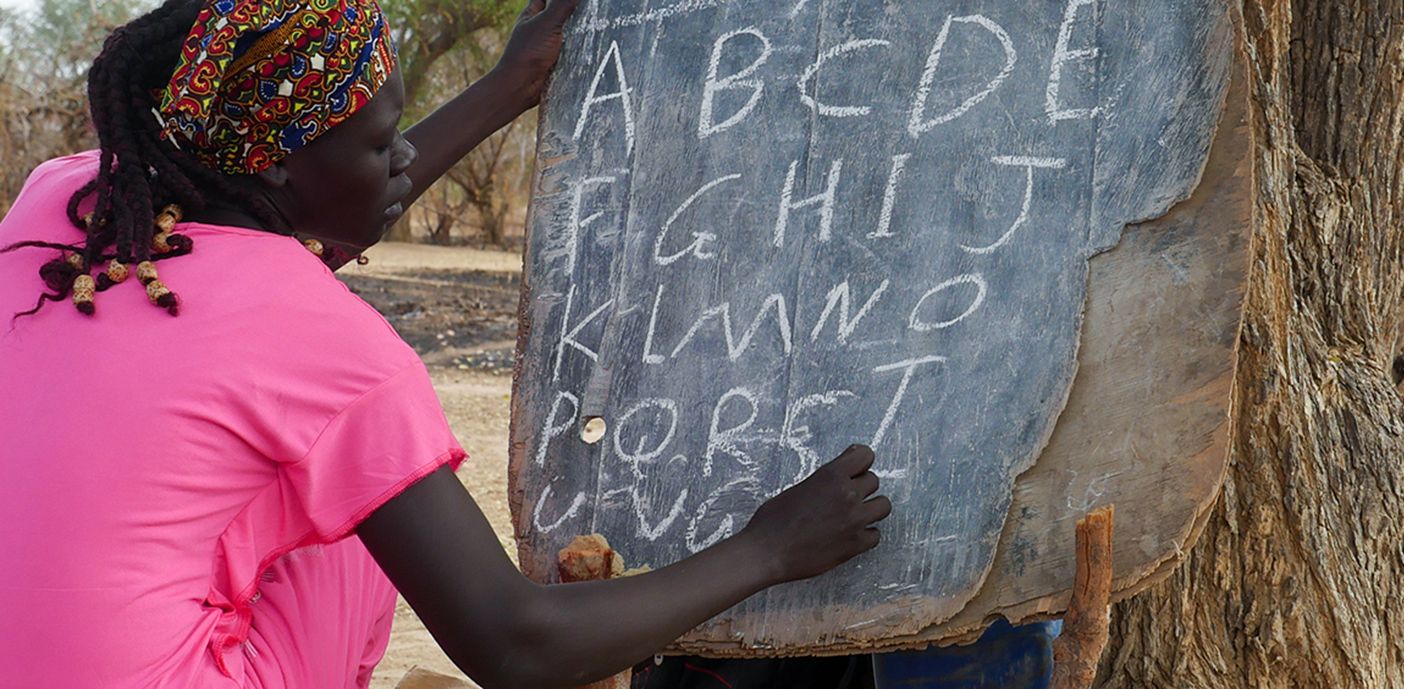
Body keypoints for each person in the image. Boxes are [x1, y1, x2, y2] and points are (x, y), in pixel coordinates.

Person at [0, 1, 892, 687]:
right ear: (273, 163)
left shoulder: (68, 200)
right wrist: (770, 548)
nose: (402, 161)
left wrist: (510, 83)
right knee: (350, 486)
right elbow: (513, 645)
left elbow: (282, 235)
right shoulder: (325, 340)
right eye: (381, 143)